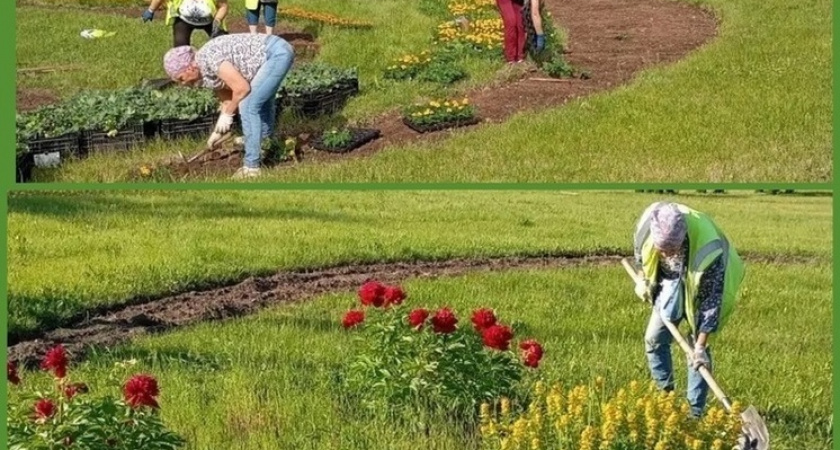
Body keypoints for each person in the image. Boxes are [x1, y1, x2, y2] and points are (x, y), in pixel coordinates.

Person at [632, 202, 745, 418]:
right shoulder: (648, 226)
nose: (664, 254)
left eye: (671, 250)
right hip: (670, 280)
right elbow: (640, 256)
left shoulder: (709, 250)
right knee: (653, 339)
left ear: (682, 239)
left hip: (702, 281)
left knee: (696, 353)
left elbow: (711, 302)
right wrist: (642, 279)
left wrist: (701, 345)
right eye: (661, 249)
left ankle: (694, 414)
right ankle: (667, 402)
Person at [162, 33, 295, 179]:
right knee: (259, 101)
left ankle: (251, 168)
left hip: (276, 53)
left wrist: (228, 115)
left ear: (189, 68)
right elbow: (227, 101)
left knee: (248, 105)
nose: (183, 84)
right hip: (273, 53)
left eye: (181, 79)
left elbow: (242, 89)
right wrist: (218, 131)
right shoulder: (204, 72)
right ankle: (263, 142)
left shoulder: (209, 58)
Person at [142, 0, 229, 47]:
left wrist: (217, 20)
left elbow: (223, 6)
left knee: (223, 42)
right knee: (180, 44)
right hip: (184, 20)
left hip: (210, 21)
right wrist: (151, 10)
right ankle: (183, 69)